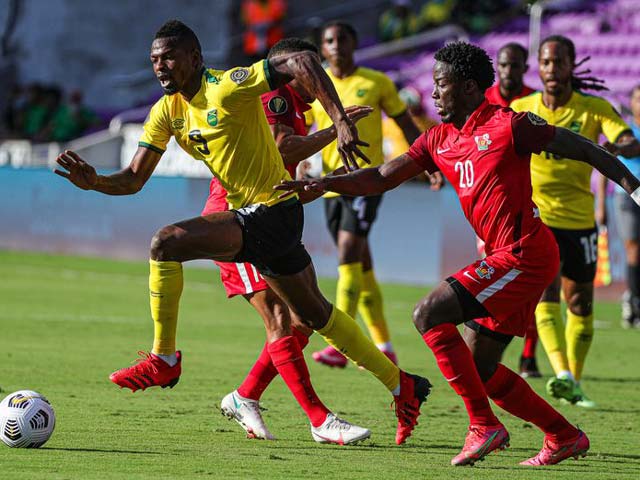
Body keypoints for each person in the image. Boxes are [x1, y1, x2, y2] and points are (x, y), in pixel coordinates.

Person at [54, 20, 431, 446]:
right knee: (311, 317)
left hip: (268, 213)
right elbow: (133, 179)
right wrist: (95, 182)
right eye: (155, 59)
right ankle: (402, 385)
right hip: (265, 217)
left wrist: (339, 122)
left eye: (170, 57)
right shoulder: (166, 111)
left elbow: (303, 59)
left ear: (196, 59)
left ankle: (166, 358)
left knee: (167, 243)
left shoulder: (227, 86)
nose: (160, 66)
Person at [276, 41, 640, 466]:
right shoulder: (438, 138)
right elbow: (380, 177)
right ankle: (563, 435)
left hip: (523, 253)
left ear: (468, 88)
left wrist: (634, 187)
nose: (433, 94)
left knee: (428, 314)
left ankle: (483, 426)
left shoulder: (510, 125)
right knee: (478, 368)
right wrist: (327, 184)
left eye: (441, 85)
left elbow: (584, 147)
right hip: (509, 255)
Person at [206, 37, 373, 442]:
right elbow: (282, 148)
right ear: (291, 71)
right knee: (281, 318)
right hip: (236, 222)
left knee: (303, 317)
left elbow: (275, 168)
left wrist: (305, 187)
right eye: (309, 70)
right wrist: (336, 128)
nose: (318, 80)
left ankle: (245, 396)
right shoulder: (274, 97)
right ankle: (320, 420)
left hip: (269, 218)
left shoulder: (295, 106)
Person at [511, 35, 640, 408]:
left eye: (559, 62)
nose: (552, 69)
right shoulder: (522, 107)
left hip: (580, 219)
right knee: (547, 294)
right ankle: (563, 373)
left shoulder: (593, 108)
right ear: (540, 66)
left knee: (580, 302)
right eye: (546, 62)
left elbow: (628, 138)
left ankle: (575, 381)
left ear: (571, 66)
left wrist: (621, 147)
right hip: (537, 219)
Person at [308, 21, 442, 369]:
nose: (336, 45)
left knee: (349, 250)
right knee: (362, 266)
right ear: (322, 48)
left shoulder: (376, 82)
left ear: (354, 43)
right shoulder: (315, 83)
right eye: (329, 40)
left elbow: (406, 123)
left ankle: (339, 343)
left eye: (342, 39)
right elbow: (304, 125)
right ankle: (385, 346)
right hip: (329, 183)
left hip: (367, 181)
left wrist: (428, 162)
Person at [483, 42, 539, 378]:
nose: (508, 71)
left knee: (531, 285)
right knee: (496, 283)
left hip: (530, 202)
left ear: (524, 68)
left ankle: (529, 355)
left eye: (515, 65)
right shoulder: (484, 98)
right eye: (503, 65)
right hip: (492, 207)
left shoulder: (532, 102)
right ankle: (491, 347)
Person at [610, 85, 640, 328]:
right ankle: (632, 300)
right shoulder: (624, 131)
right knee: (633, 249)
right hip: (627, 197)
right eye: (638, 99)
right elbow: (606, 165)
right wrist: (600, 203)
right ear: (631, 102)